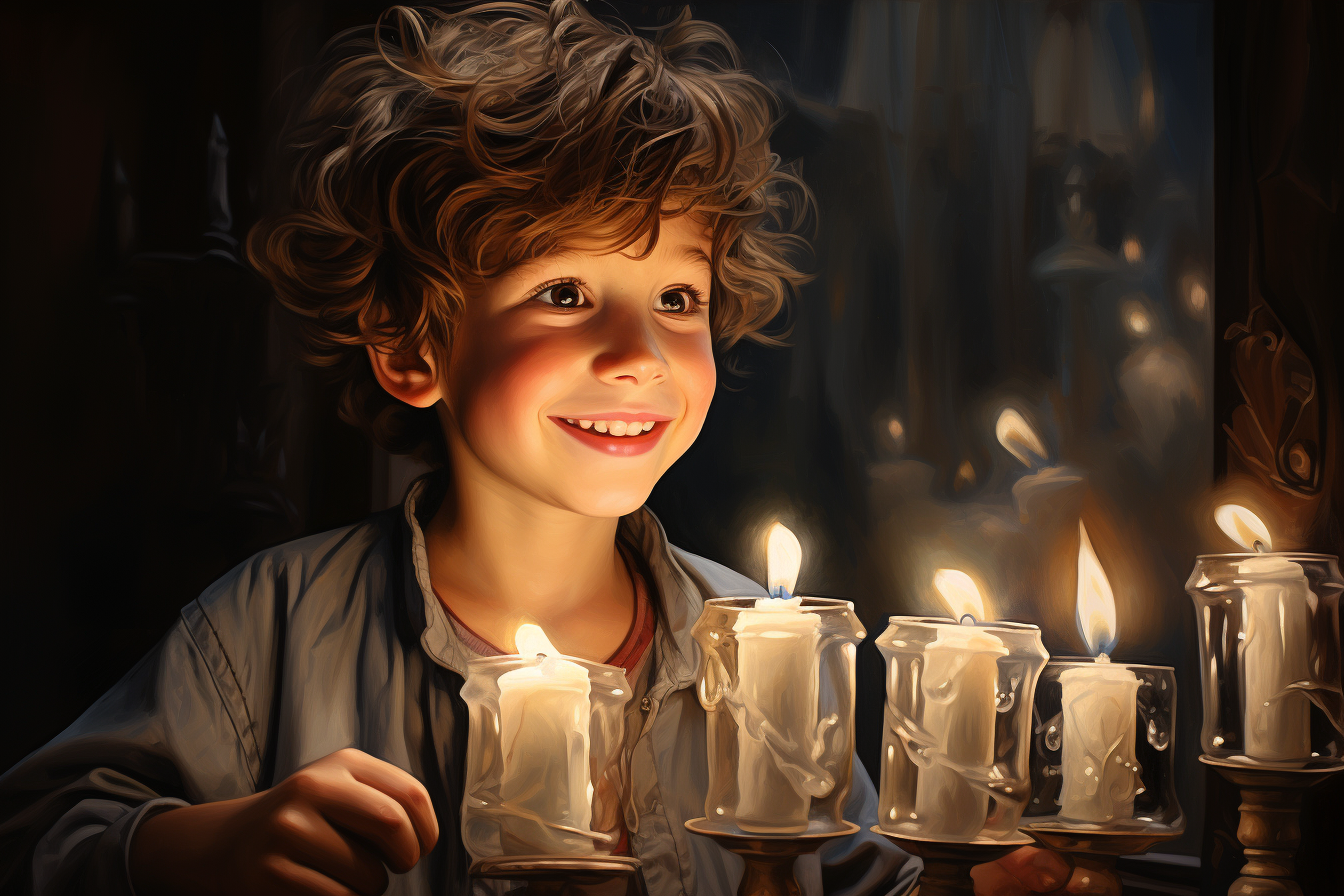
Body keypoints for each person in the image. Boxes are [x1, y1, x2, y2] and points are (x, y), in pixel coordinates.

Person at [0, 3, 1110, 895]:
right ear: (410, 349)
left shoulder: (760, 652)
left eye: (677, 295)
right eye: (566, 292)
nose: (639, 352)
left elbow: (855, 870)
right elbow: (40, 831)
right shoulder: (269, 630)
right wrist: (196, 849)